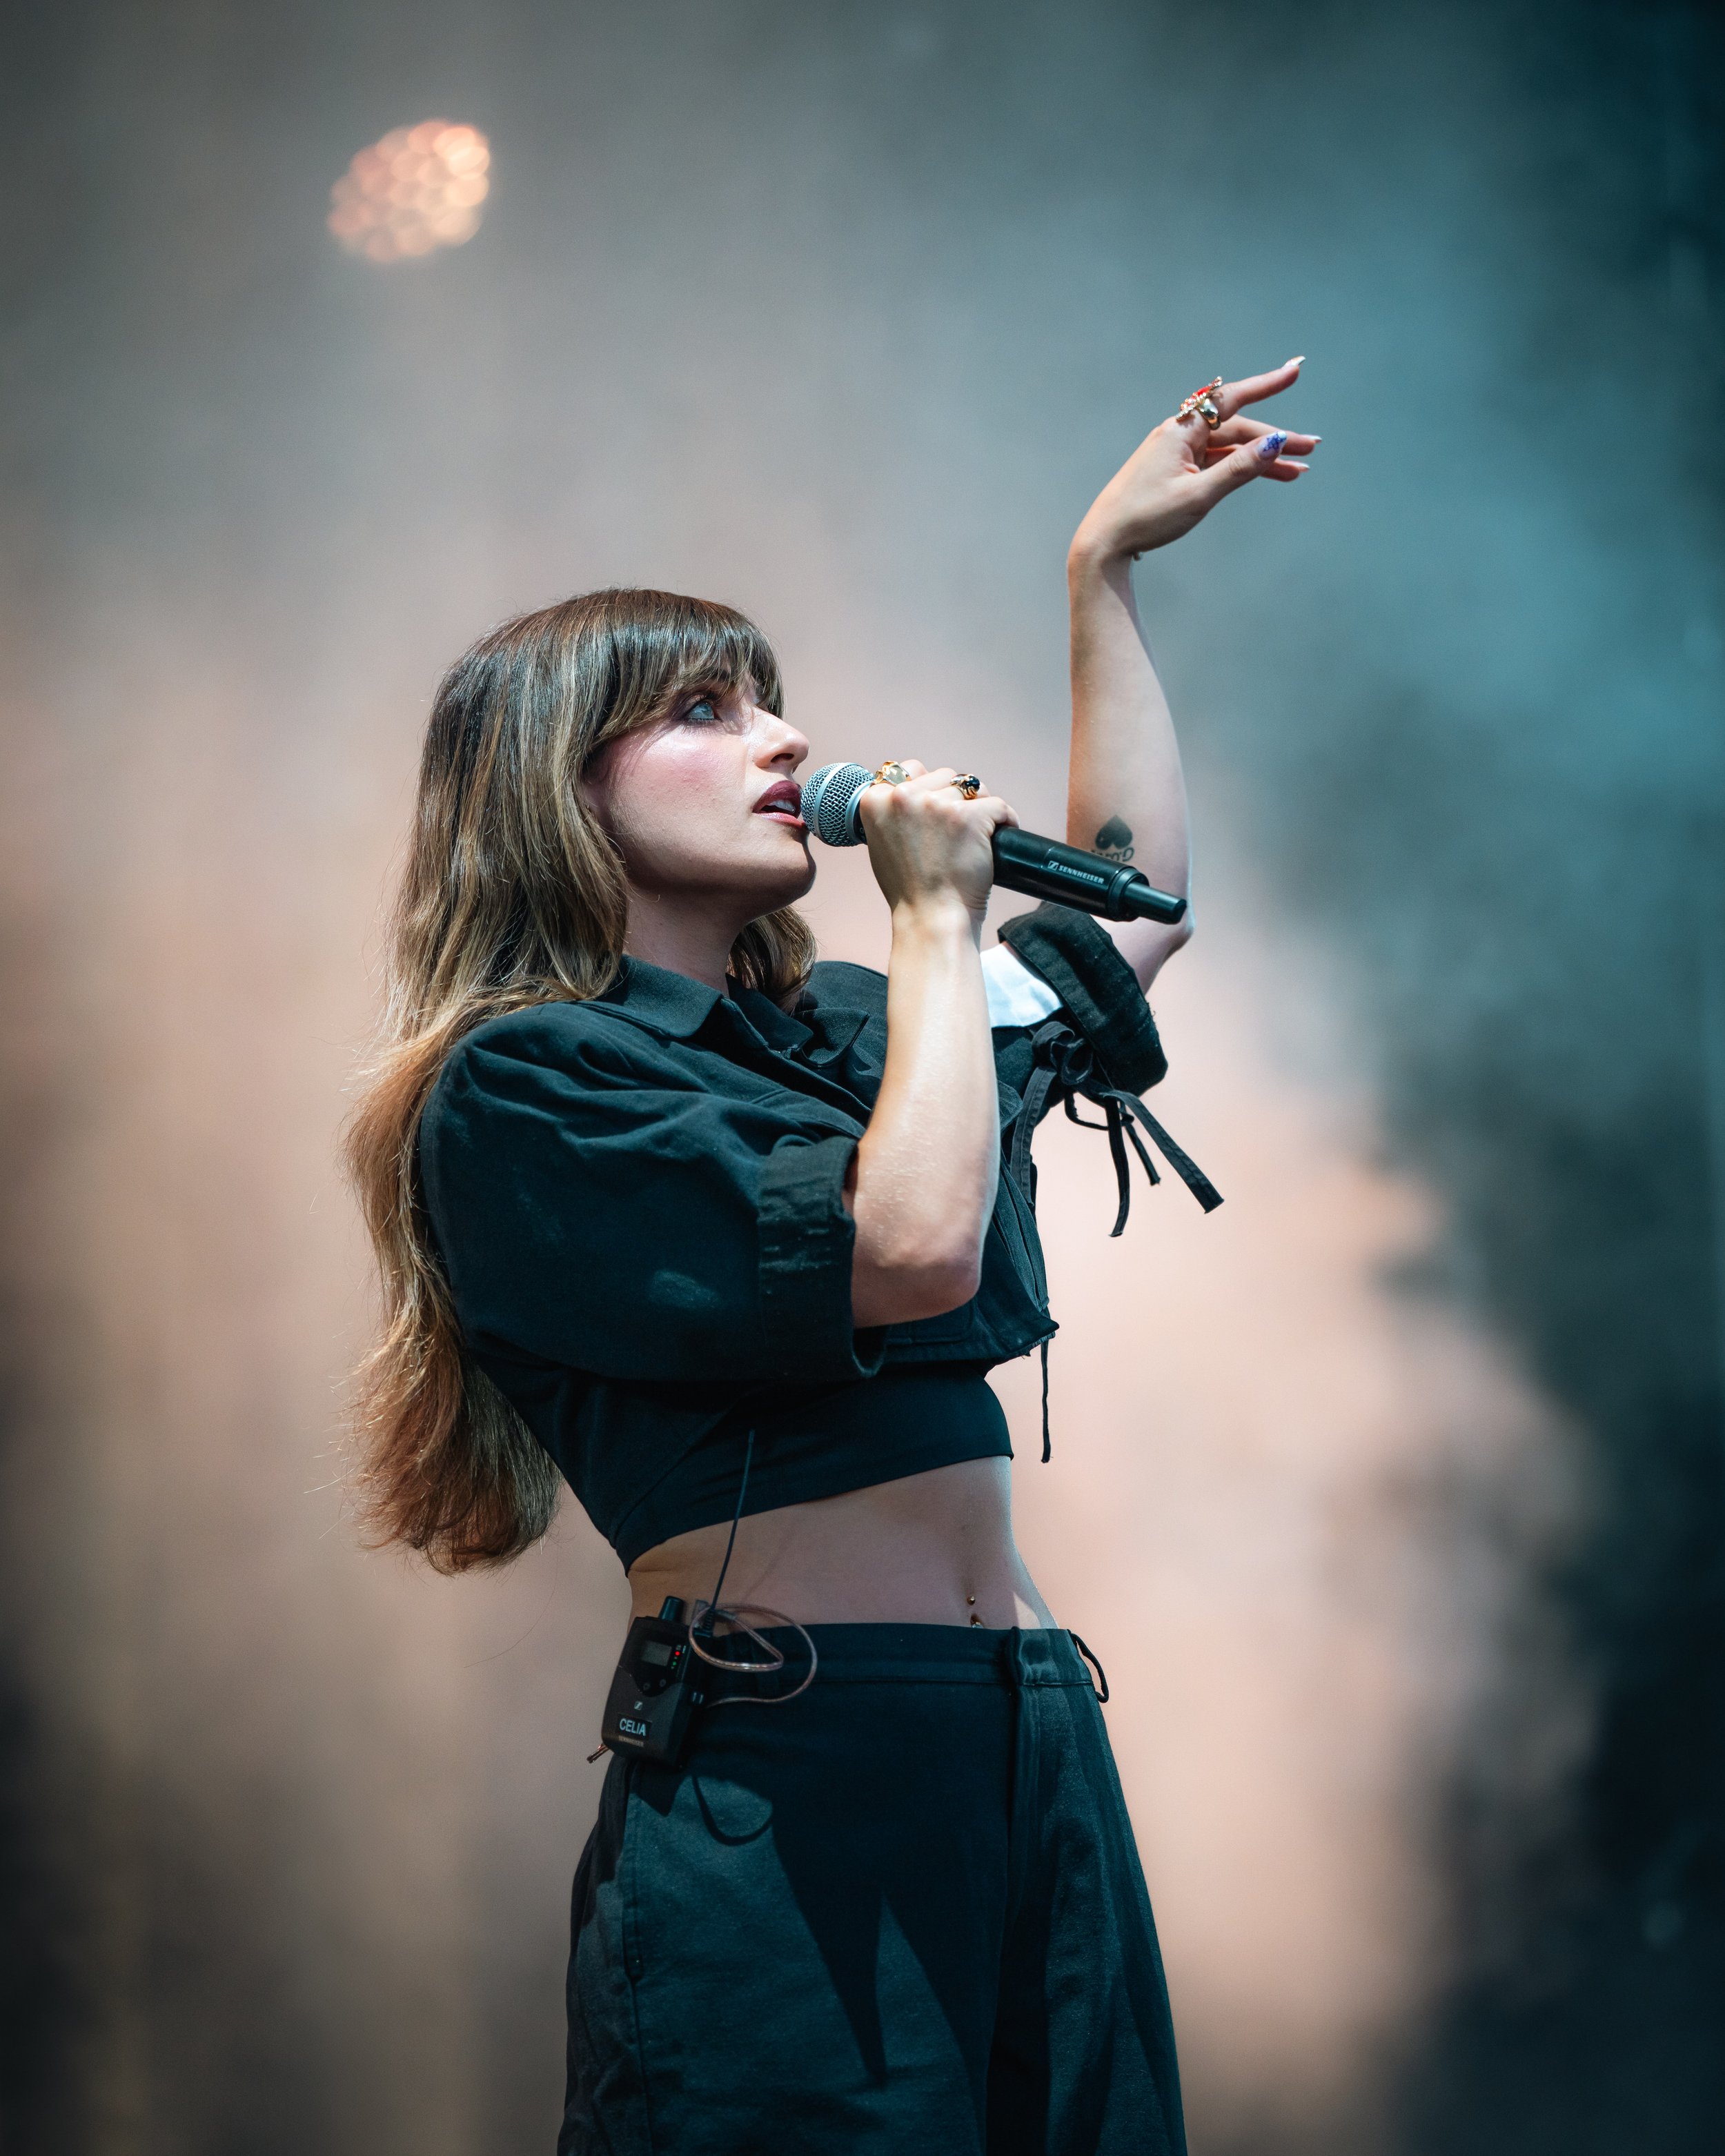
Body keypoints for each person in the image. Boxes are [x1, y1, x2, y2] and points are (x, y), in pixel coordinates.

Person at [345, 362, 1314, 2155]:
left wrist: (1099, 574)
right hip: (795, 1767)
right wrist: (937, 920)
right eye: (706, 710)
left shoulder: (861, 1034)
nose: (785, 741)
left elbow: (1134, 913)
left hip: (1026, 1732)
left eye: (774, 699)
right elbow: (910, 1248)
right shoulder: (528, 1087)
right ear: (554, 786)